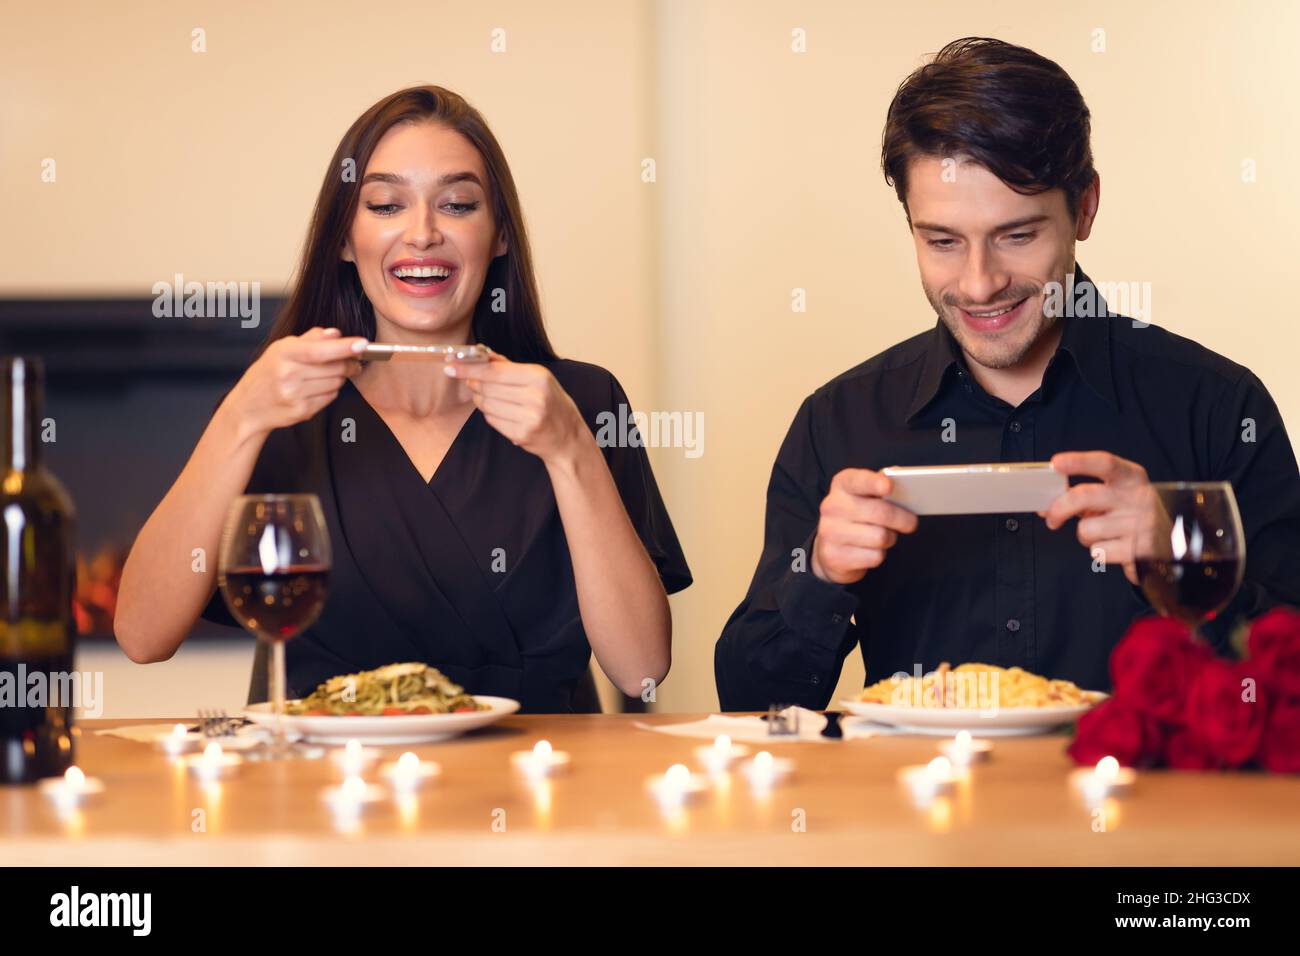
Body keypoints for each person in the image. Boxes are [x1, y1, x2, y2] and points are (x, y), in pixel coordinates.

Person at [714, 38, 1300, 711]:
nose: (979, 283)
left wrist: (1182, 565)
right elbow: (749, 704)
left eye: (1017, 236)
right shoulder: (837, 422)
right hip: (917, 810)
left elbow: (1289, 695)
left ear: (1084, 208)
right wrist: (818, 576)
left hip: (1156, 811)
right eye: (942, 241)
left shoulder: (1220, 408)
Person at [116, 86, 691, 713]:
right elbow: (143, 636)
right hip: (325, 788)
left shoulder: (581, 398)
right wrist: (239, 418)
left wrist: (572, 449)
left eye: (458, 204)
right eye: (387, 205)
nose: (422, 234)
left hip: (535, 783)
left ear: (498, 236)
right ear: (344, 239)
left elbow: (642, 671)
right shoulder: (281, 409)